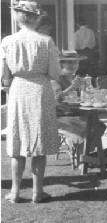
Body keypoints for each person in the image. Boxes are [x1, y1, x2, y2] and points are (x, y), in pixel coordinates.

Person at [1, 1, 61, 203]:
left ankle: (16, 192)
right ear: (37, 18)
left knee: (17, 140)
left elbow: (4, 75)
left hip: (18, 89)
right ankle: (37, 192)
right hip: (40, 91)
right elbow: (54, 72)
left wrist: (9, 82)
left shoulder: (7, 41)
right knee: (39, 141)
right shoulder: (46, 41)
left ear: (18, 18)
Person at [51, 51, 106, 167]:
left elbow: (81, 98)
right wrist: (72, 87)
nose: (73, 66)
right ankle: (82, 160)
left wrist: (90, 89)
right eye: (70, 63)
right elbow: (57, 98)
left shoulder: (77, 79)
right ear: (62, 64)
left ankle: (86, 154)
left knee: (99, 126)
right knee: (85, 128)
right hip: (61, 117)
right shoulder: (55, 80)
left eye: (76, 63)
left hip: (77, 114)